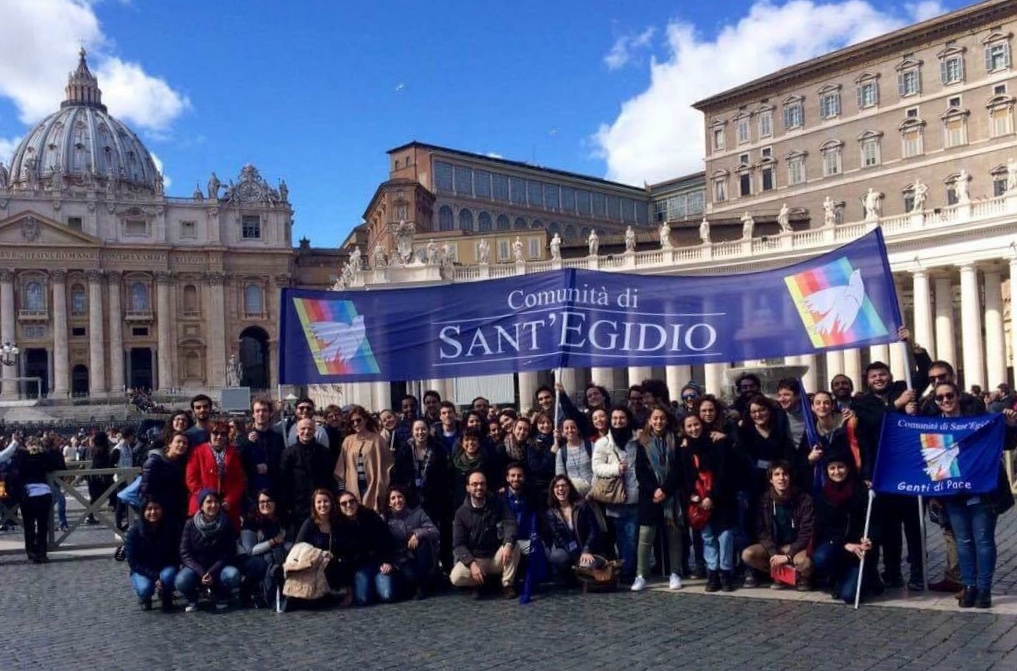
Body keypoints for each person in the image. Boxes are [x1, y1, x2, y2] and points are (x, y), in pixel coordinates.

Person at [852, 331, 931, 591]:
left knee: (915, 525)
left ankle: (918, 571)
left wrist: (912, 344)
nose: (878, 379)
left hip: (909, 468)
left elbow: (925, 372)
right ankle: (893, 571)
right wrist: (898, 405)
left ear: (889, 375)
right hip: (882, 471)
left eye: (882, 374)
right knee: (889, 527)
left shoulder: (903, 387)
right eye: (873, 376)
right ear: (867, 381)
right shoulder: (862, 403)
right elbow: (873, 423)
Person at [932, 381, 1017, 608]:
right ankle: (969, 586)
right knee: (963, 541)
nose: (945, 400)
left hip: (983, 489)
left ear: (957, 396)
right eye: (940, 398)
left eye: (949, 395)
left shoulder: (979, 418)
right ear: (936, 402)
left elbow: (1006, 443)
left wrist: (1010, 426)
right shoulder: (933, 425)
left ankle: (984, 589)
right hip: (952, 493)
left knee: (983, 540)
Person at [681, 413, 739, 592]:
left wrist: (711, 497)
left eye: (696, 424)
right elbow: (684, 476)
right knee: (707, 538)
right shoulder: (684, 449)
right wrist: (694, 497)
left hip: (720, 498)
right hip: (698, 501)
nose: (694, 429)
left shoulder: (717, 443)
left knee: (725, 536)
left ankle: (726, 571)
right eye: (689, 426)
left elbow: (724, 472)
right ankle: (712, 572)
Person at [811, 453, 880, 604]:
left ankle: (867, 576)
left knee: (849, 596)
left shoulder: (863, 491)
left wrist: (869, 540)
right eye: (832, 468)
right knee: (820, 557)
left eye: (840, 467)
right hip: (837, 546)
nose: (837, 472)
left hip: (858, 551)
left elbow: (874, 521)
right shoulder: (822, 494)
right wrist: (844, 544)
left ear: (848, 468)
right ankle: (836, 576)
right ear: (826, 471)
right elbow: (823, 528)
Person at [391, 419, 453, 573]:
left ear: (428, 430)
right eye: (417, 429)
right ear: (412, 431)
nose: (420, 432)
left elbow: (446, 474)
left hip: (435, 498)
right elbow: (397, 475)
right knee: (416, 536)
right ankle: (420, 570)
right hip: (411, 500)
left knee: (437, 533)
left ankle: (442, 568)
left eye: (423, 429)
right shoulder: (405, 449)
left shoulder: (438, 449)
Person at [633, 407, 684, 591]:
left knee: (674, 536)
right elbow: (640, 471)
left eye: (662, 418)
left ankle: (675, 572)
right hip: (650, 496)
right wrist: (654, 490)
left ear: (667, 420)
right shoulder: (642, 442)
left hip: (671, 495)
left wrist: (665, 489)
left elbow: (679, 468)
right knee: (646, 535)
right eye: (655, 418)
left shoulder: (675, 440)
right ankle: (641, 574)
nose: (658, 422)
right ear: (649, 421)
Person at [741, 461, 814, 590]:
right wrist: (774, 553)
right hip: (775, 545)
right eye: (777, 474)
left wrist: (788, 555)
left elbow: (807, 531)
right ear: (771, 479)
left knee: (805, 563)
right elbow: (761, 531)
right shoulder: (764, 500)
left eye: (785, 474)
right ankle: (780, 574)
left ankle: (799, 576)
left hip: (796, 546)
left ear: (790, 477)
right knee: (748, 554)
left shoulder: (804, 499)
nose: (781, 478)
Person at [450, 471, 520, 599]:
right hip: (475, 559)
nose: (479, 487)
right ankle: (481, 583)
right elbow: (458, 544)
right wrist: (471, 564)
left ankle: (507, 584)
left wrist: (508, 543)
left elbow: (510, 523)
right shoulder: (461, 513)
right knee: (455, 577)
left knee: (514, 545)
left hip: (496, 557)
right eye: (474, 484)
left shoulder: (497, 504)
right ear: (468, 488)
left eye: (482, 484)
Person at [592, 406, 640, 587]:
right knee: (620, 537)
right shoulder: (602, 443)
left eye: (622, 418)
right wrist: (615, 469)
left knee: (631, 538)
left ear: (627, 419)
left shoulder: (636, 439)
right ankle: (620, 571)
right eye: (615, 418)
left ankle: (628, 572)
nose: (618, 421)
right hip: (614, 497)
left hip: (634, 495)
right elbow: (596, 468)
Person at [176, 489, 242, 612]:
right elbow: (185, 552)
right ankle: (192, 598)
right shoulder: (190, 524)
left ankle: (221, 595)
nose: (213, 505)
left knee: (233, 575)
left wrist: (211, 571)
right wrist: (201, 572)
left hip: (219, 567)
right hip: (196, 567)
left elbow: (229, 551)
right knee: (181, 580)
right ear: (201, 506)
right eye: (209, 502)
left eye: (216, 501)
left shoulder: (226, 522)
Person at [333, 489, 396, 606]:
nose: (349, 505)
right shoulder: (338, 526)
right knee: (363, 599)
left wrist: (387, 561)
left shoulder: (371, 516)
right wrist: (349, 588)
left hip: (379, 562)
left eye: (352, 501)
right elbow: (342, 557)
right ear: (339, 507)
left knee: (388, 595)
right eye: (344, 503)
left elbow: (385, 539)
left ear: (357, 502)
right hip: (359, 568)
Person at [279, 418, 337, 533]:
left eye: (310, 429)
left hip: (321, 506)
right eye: (303, 429)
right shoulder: (288, 453)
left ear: (315, 431)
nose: (306, 431)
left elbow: (331, 478)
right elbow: (283, 481)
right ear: (297, 431)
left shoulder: (324, 452)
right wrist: (287, 506)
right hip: (298, 507)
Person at [185, 421, 245, 531]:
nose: (219, 437)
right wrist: (206, 498)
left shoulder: (233, 452)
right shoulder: (198, 451)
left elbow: (239, 480)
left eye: (223, 434)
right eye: (215, 433)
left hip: (227, 507)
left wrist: (230, 499)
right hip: (202, 505)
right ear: (209, 434)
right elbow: (191, 479)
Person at [290, 489, 345, 609]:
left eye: (326, 501)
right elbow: (297, 549)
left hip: (332, 566)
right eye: (319, 502)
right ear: (314, 505)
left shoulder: (337, 522)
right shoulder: (309, 524)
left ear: (331, 503)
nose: (322, 505)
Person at [383, 485, 439, 599]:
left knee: (422, 542)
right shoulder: (386, 519)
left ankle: (422, 585)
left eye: (400, 497)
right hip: (401, 559)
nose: (397, 501)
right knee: (411, 577)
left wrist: (417, 534)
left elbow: (435, 531)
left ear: (404, 498)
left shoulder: (418, 513)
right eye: (393, 498)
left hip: (419, 554)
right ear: (389, 503)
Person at [14, 436, 64, 562]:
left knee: (29, 525)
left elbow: (17, 469)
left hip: (28, 493)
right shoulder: (43, 455)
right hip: (43, 492)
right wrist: (43, 452)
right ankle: (42, 553)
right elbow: (53, 465)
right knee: (42, 525)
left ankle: (31, 552)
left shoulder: (22, 456)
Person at [544, 475, 603, 584]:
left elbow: (594, 530)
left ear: (569, 488)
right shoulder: (551, 513)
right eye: (557, 486)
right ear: (552, 491)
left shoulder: (582, 505)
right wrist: (576, 557)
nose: (560, 489)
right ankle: (571, 572)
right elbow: (560, 538)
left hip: (588, 548)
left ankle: (580, 573)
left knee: (589, 566)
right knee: (557, 557)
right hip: (569, 550)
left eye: (563, 485)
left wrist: (586, 550)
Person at [124, 498, 179, 611]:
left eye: (156, 508)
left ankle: (167, 594)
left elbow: (176, 554)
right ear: (143, 511)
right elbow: (133, 561)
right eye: (149, 509)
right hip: (142, 569)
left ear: (162, 510)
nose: (153, 512)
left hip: (165, 567)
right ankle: (145, 598)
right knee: (145, 588)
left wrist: (163, 575)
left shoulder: (171, 528)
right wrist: (155, 576)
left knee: (168, 576)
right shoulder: (134, 532)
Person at [336, 405, 393, 512]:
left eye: (358, 420)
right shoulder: (348, 441)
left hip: (372, 485)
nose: (355, 423)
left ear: (365, 419)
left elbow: (387, 465)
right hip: (353, 486)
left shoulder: (377, 440)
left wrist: (382, 486)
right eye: (352, 422)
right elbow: (340, 470)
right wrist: (342, 490)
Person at [240, 489, 288, 608]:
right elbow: (250, 550)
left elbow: (287, 541)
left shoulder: (282, 519)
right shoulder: (251, 521)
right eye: (262, 502)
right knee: (265, 563)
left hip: (276, 553)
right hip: (252, 558)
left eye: (269, 500)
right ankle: (260, 593)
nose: (265, 504)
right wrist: (273, 541)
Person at [140, 431, 190, 533]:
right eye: (178, 442)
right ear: (170, 443)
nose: (181, 445)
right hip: (159, 511)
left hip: (176, 511)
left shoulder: (183, 462)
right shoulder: (154, 461)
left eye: (185, 443)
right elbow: (146, 490)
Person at [239, 397, 285, 501]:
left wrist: (269, 468)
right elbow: (239, 462)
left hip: (273, 491)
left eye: (264, 410)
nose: (261, 414)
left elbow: (282, 463)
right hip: (251, 492)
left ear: (270, 414)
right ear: (253, 414)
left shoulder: (278, 439)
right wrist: (248, 444)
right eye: (257, 411)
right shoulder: (243, 438)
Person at [555, 418, 594, 497]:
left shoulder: (590, 445)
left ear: (578, 430)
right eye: (566, 428)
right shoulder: (561, 452)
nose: (570, 430)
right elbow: (560, 477)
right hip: (574, 495)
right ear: (562, 432)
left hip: (593, 491)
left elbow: (597, 469)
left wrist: (592, 490)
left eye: (573, 427)